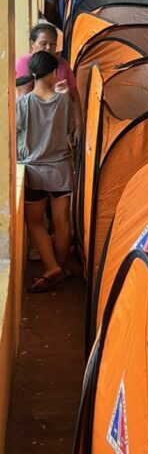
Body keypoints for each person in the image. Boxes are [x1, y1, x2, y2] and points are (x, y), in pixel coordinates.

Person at [16, 51, 79, 292]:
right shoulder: (64, 102)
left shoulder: (23, 104)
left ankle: (51, 267)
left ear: (32, 75)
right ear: (54, 73)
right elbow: (70, 129)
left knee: (35, 223)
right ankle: (60, 269)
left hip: (33, 171)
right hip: (61, 170)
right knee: (62, 223)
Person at [15, 23, 82, 129]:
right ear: (32, 44)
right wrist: (57, 96)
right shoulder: (24, 63)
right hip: (34, 124)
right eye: (43, 43)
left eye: (53, 43)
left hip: (58, 123)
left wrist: (78, 126)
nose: (48, 47)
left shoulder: (62, 64)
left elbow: (75, 96)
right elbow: (25, 101)